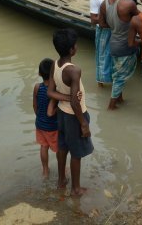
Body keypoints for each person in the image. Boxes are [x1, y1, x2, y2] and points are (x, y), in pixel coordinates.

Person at [47, 29, 93, 196]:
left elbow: (50, 92)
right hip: (75, 116)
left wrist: (66, 97)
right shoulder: (74, 70)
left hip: (61, 114)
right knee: (76, 153)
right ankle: (76, 189)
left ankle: (61, 181)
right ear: (72, 49)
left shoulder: (55, 64)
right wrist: (83, 123)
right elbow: (75, 102)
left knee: (63, 147)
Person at [98, 0, 139, 110]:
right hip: (126, 46)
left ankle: (119, 99)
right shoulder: (128, 4)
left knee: (117, 75)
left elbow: (102, 24)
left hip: (113, 44)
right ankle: (111, 105)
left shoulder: (104, 4)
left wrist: (115, 25)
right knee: (120, 78)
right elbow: (140, 20)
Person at [33, 58, 58, 177]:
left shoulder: (37, 87)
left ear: (39, 73)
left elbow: (35, 106)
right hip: (53, 126)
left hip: (40, 124)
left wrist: (39, 118)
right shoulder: (55, 90)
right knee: (59, 148)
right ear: (54, 73)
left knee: (44, 146)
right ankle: (61, 169)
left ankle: (45, 170)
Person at [89, 0, 114, 86]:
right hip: (103, 30)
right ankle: (101, 83)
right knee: (102, 56)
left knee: (113, 56)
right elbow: (93, 19)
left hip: (114, 29)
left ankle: (113, 79)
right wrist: (106, 17)